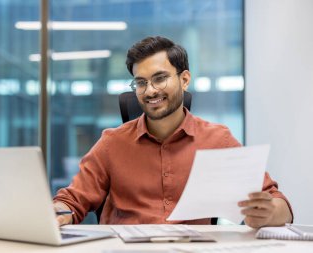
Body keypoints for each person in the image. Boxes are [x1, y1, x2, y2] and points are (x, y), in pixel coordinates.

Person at [53, 36, 293, 228]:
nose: (150, 91)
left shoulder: (218, 140)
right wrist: (58, 214)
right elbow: (72, 201)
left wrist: (269, 212)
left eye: (160, 78)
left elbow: (277, 202)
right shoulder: (112, 143)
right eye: (141, 82)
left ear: (185, 79)